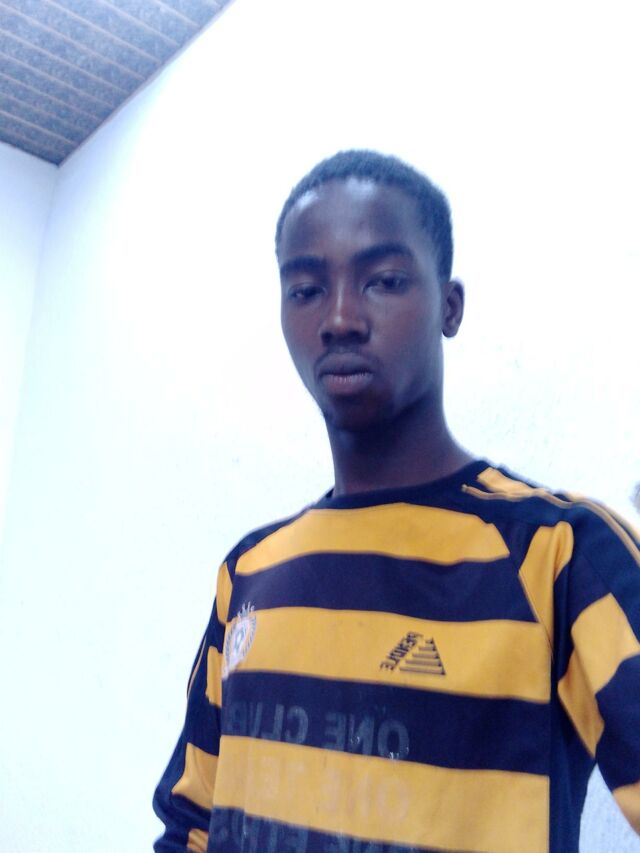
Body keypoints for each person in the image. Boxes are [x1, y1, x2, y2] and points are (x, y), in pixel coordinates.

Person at [153, 150, 640, 852]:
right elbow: (191, 824)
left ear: (449, 306)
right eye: (306, 289)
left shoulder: (560, 552)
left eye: (382, 281)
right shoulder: (250, 571)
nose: (340, 318)